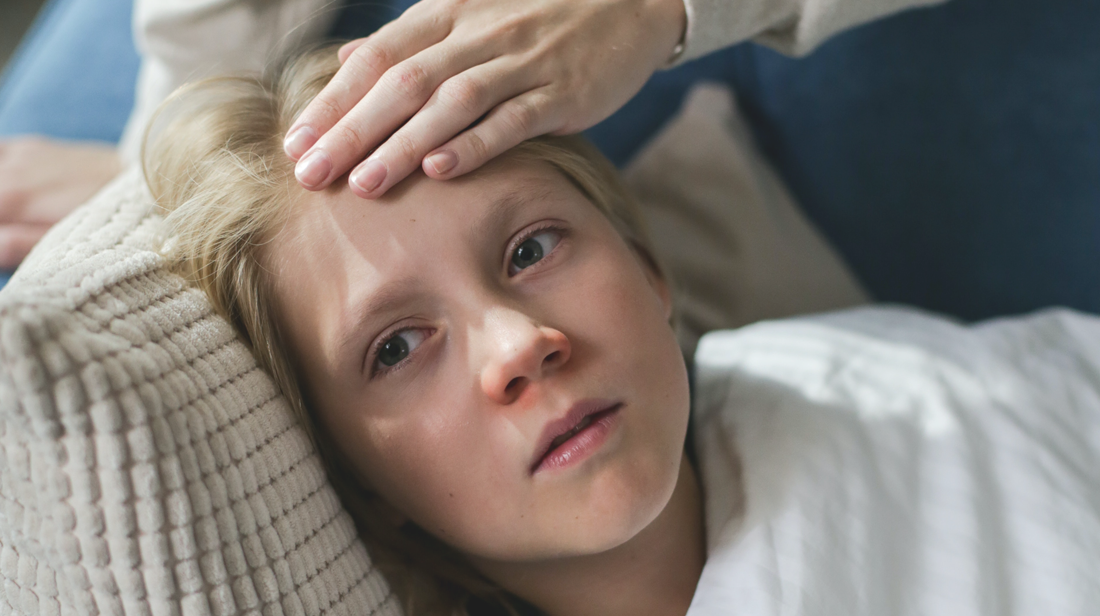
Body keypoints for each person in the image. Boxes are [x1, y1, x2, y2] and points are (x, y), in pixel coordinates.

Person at [145, 44, 1100, 616]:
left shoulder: (901, 382)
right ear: (357, 482)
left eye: (530, 250)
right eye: (395, 349)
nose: (520, 344)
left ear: (648, 268)